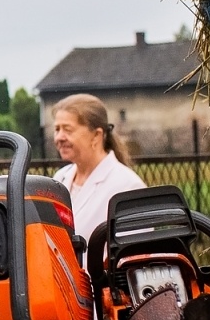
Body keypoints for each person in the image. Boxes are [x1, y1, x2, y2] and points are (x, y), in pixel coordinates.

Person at [51, 93, 144, 249]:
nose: (59, 137)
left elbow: (130, 256)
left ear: (96, 135)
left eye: (67, 130)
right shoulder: (60, 178)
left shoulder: (128, 186)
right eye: (57, 129)